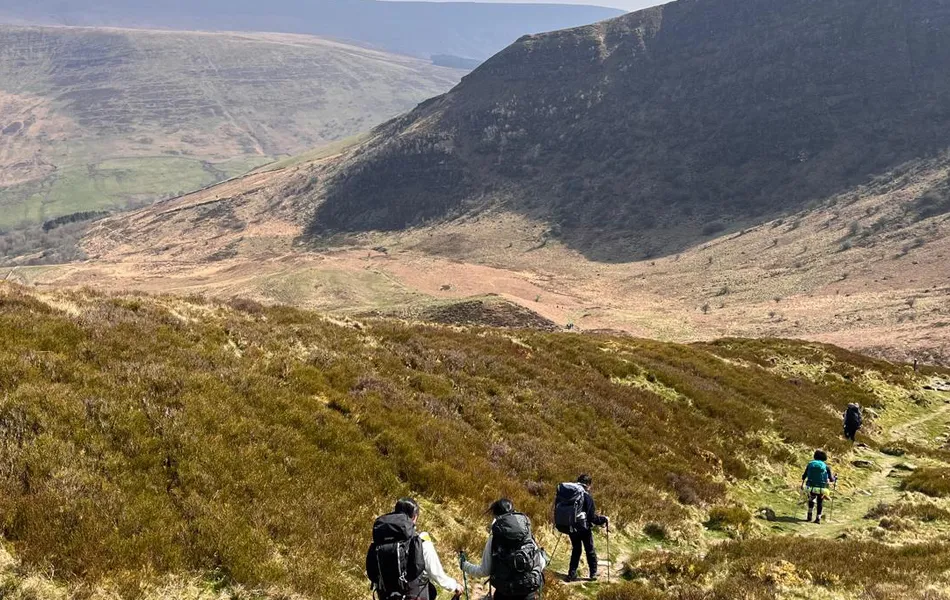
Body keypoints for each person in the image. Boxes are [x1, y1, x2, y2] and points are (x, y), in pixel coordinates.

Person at [367, 498, 463, 600]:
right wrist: (454, 586)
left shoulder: (379, 544)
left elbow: (374, 575)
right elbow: (436, 574)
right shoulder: (421, 543)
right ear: (415, 517)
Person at [461, 499, 548, 600]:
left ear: (495, 516)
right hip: (528, 592)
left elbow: (484, 571)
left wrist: (464, 565)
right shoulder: (526, 533)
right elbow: (540, 563)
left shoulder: (495, 537)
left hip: (505, 593)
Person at [566, 474, 609, 582]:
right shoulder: (587, 497)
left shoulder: (570, 495)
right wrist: (603, 519)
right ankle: (593, 573)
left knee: (576, 549)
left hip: (571, 527)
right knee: (589, 550)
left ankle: (571, 573)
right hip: (584, 528)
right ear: (588, 485)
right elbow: (591, 518)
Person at [801, 450, 837, 524]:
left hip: (810, 486)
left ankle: (809, 515)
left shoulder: (810, 464)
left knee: (811, 499)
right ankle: (818, 518)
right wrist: (835, 478)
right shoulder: (826, 466)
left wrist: (803, 479)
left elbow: (804, 476)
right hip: (821, 487)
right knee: (820, 502)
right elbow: (831, 479)